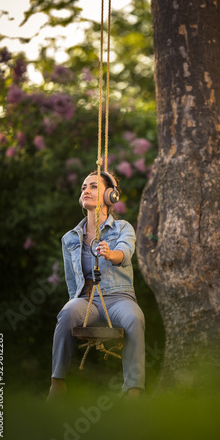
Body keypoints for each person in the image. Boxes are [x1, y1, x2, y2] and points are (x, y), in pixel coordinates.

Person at [47, 170, 145, 400]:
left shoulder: (123, 228)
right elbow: (72, 281)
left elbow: (125, 253)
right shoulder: (70, 238)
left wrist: (111, 254)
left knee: (134, 318)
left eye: (92, 186)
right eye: (83, 187)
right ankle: (56, 384)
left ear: (110, 195)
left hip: (118, 298)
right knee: (67, 312)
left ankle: (133, 391)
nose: (86, 191)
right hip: (87, 299)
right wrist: (75, 303)